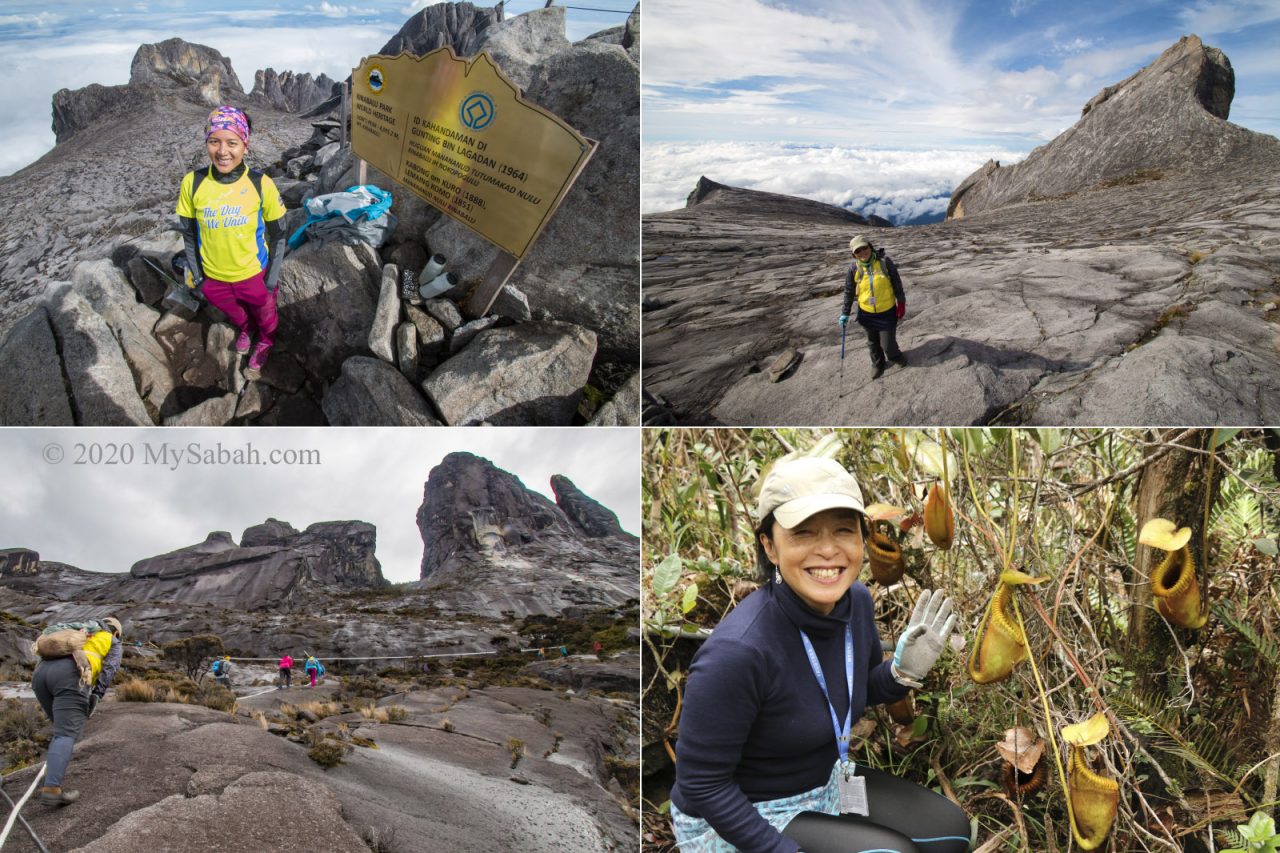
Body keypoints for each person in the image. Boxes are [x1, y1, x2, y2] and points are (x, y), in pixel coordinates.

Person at [670, 457, 970, 853]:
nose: (827, 550)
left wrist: (900, 674)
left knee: (953, 831)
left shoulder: (856, 603)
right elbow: (703, 784)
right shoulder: (737, 653)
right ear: (769, 546)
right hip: (736, 818)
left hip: (825, 784)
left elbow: (854, 689)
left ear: (862, 539)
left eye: (844, 530)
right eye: (803, 534)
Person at [176, 105, 287, 371]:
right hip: (214, 279)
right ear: (206, 144)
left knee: (267, 314)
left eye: (232, 143)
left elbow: (280, 234)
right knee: (236, 312)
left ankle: (267, 340)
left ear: (245, 146)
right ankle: (247, 329)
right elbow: (189, 235)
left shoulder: (262, 184)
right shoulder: (193, 183)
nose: (222, 151)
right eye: (214, 141)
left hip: (254, 275)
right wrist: (200, 278)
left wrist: (270, 281)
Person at [32, 616, 124, 807]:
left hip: (40, 674)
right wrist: (96, 695)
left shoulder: (78, 629)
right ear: (116, 632)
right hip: (72, 674)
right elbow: (110, 669)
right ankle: (51, 790)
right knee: (65, 733)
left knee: (59, 729)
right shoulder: (111, 640)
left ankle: (51, 775)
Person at [840, 236, 907, 380]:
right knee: (872, 342)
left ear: (870, 247)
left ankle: (894, 355)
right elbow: (849, 291)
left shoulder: (884, 262)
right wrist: (845, 313)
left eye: (864, 248)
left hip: (887, 311)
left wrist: (900, 302)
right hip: (867, 313)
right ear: (854, 255)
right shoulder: (853, 269)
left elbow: (897, 283)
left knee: (887, 344)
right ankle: (877, 364)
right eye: (858, 251)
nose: (862, 252)